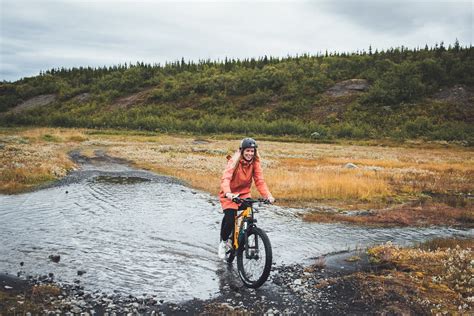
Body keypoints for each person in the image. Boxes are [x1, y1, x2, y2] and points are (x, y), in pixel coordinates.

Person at [217, 137, 275, 259]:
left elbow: (259, 181)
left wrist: (268, 195)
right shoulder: (234, 161)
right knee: (230, 217)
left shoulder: (255, 163)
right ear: (242, 151)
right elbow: (225, 179)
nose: (250, 153)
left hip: (244, 193)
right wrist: (228, 193)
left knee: (249, 212)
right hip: (229, 194)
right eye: (247, 150)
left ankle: (247, 234)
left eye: (252, 151)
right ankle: (223, 243)